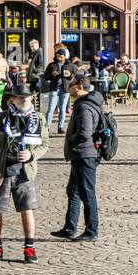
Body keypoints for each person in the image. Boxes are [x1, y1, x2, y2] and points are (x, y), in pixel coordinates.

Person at [0, 87, 49, 263]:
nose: (25, 99)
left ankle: (29, 248)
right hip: (2, 172)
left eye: (28, 96)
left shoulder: (38, 119)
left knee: (27, 210)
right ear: (12, 100)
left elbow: (45, 144)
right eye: (21, 97)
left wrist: (31, 155)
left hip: (24, 172)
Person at [51, 76, 102, 243]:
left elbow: (84, 133)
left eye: (71, 84)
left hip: (84, 155)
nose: (69, 87)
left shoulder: (84, 107)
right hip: (81, 154)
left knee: (87, 193)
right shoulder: (85, 103)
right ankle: (70, 228)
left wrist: (70, 139)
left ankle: (91, 231)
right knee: (73, 191)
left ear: (79, 87)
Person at [43, 48, 75, 135]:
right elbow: (45, 76)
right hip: (54, 88)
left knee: (62, 109)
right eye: (57, 56)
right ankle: (47, 127)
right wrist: (51, 75)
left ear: (64, 56)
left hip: (65, 89)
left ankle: (60, 127)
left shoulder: (70, 65)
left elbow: (74, 77)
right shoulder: (51, 65)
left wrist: (69, 75)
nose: (59, 58)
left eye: (60, 56)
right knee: (51, 108)